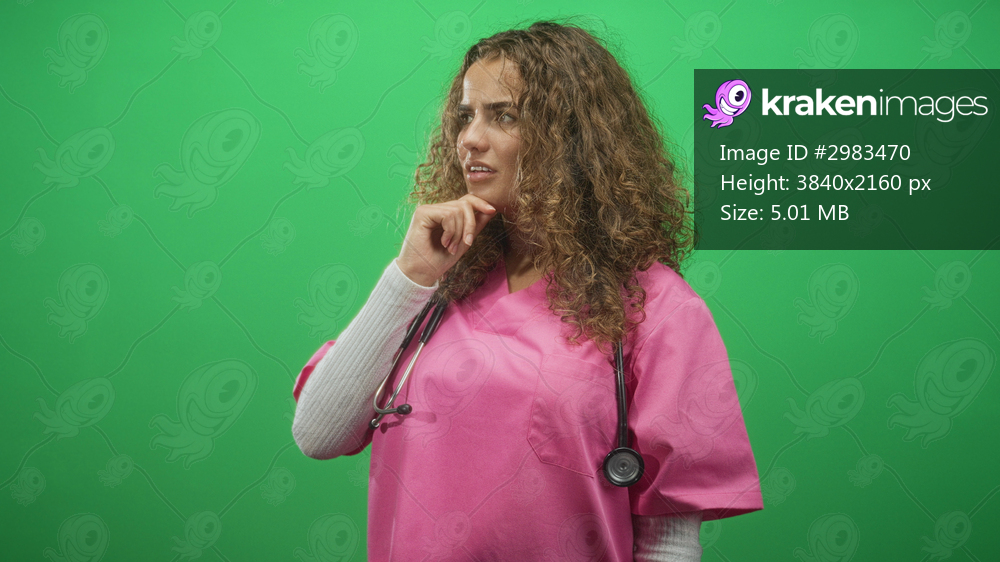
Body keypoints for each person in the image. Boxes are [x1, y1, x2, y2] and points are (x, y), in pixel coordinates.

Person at [292, 19, 763, 561]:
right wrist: (411, 275)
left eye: (504, 116)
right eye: (466, 115)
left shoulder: (656, 306)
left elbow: (669, 541)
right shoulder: (443, 283)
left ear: (572, 138)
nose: (469, 138)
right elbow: (318, 434)